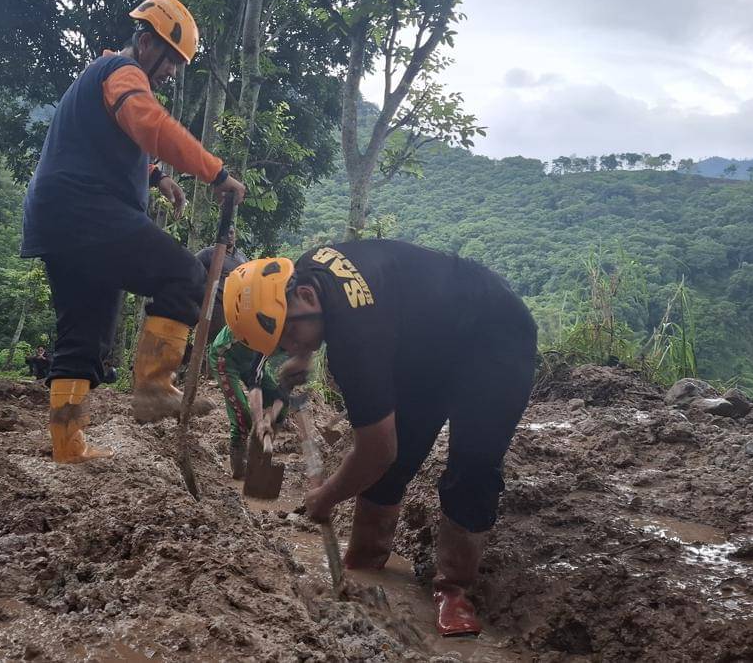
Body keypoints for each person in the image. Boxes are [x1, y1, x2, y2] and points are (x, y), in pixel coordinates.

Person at [222, 240, 537, 637]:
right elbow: (388, 454)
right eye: (281, 344)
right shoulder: (304, 275)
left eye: (289, 335)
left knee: (472, 464)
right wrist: (304, 353)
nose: (288, 346)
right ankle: (366, 561)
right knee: (398, 458)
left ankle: (453, 588)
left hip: (495, 338)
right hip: (425, 344)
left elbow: (376, 450)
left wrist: (328, 496)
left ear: (303, 295)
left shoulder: (356, 340)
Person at [19, 0, 246, 464]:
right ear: (146, 43)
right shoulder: (121, 73)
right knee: (184, 274)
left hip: (59, 220)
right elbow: (147, 123)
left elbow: (108, 140)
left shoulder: (99, 80)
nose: (173, 73)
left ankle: (67, 448)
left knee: (82, 338)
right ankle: (154, 388)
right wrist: (216, 173)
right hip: (86, 213)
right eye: (171, 60)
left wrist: (157, 176)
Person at [207, 324, 288, 478]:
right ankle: (239, 466)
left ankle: (259, 454)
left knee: (282, 408)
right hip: (225, 356)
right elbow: (254, 381)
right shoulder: (273, 328)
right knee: (243, 415)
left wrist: (269, 419)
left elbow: (284, 392)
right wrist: (259, 420)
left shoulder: (300, 346)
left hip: (252, 361)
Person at [196, 226, 248, 344]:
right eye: (226, 233)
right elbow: (191, 266)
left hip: (235, 309)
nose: (229, 236)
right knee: (212, 342)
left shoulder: (242, 257)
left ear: (235, 235)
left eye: (231, 233)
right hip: (215, 305)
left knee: (229, 345)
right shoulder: (209, 253)